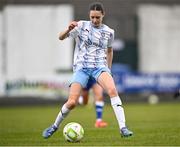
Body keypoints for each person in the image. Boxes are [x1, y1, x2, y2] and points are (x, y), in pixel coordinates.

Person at [42, 2, 133, 139]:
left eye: (97, 17)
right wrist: (68, 29)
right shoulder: (80, 26)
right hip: (81, 69)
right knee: (72, 102)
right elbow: (60, 37)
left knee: (113, 91)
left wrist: (108, 69)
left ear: (103, 15)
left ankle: (123, 128)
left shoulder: (109, 32)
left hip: (99, 68)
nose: (95, 20)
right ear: (89, 16)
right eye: (92, 17)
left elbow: (109, 50)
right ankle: (54, 127)